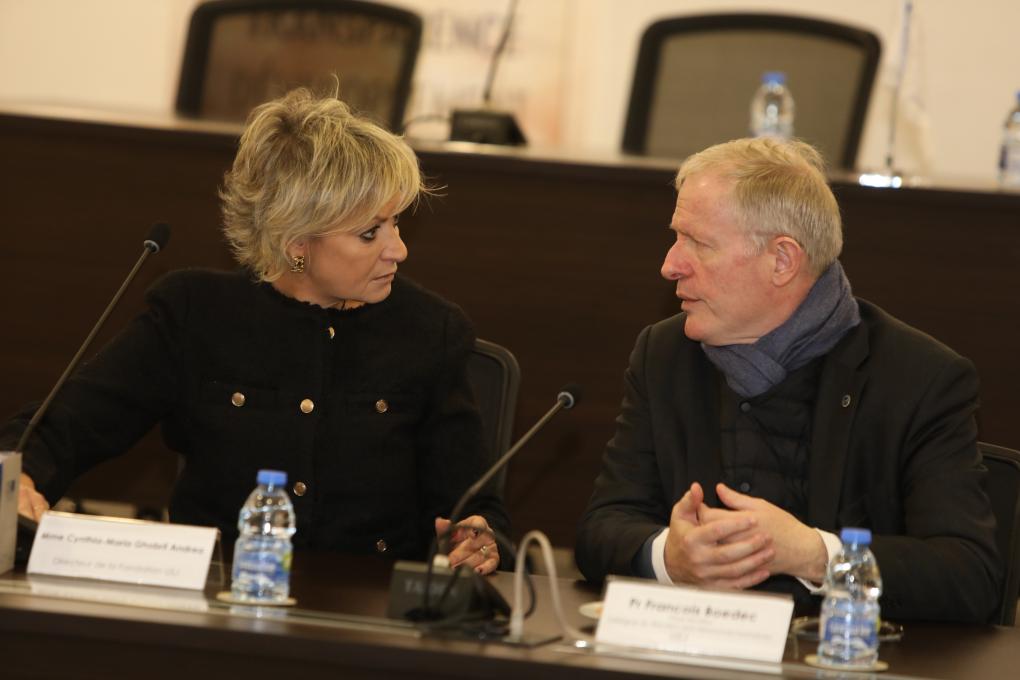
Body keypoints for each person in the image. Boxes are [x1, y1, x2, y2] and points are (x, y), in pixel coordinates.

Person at [2, 88, 506, 574]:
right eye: (370, 232)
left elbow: (475, 505)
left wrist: (478, 538)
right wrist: (17, 479)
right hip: (215, 600)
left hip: (367, 609)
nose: (399, 249)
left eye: (396, 223)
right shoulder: (196, 314)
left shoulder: (430, 332)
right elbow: (64, 426)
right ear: (297, 242)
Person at [575, 137, 1002, 622]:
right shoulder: (666, 355)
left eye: (698, 243)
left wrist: (815, 555)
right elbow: (600, 529)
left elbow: (970, 574)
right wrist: (669, 556)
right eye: (676, 237)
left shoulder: (919, 379)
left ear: (782, 260)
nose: (670, 265)